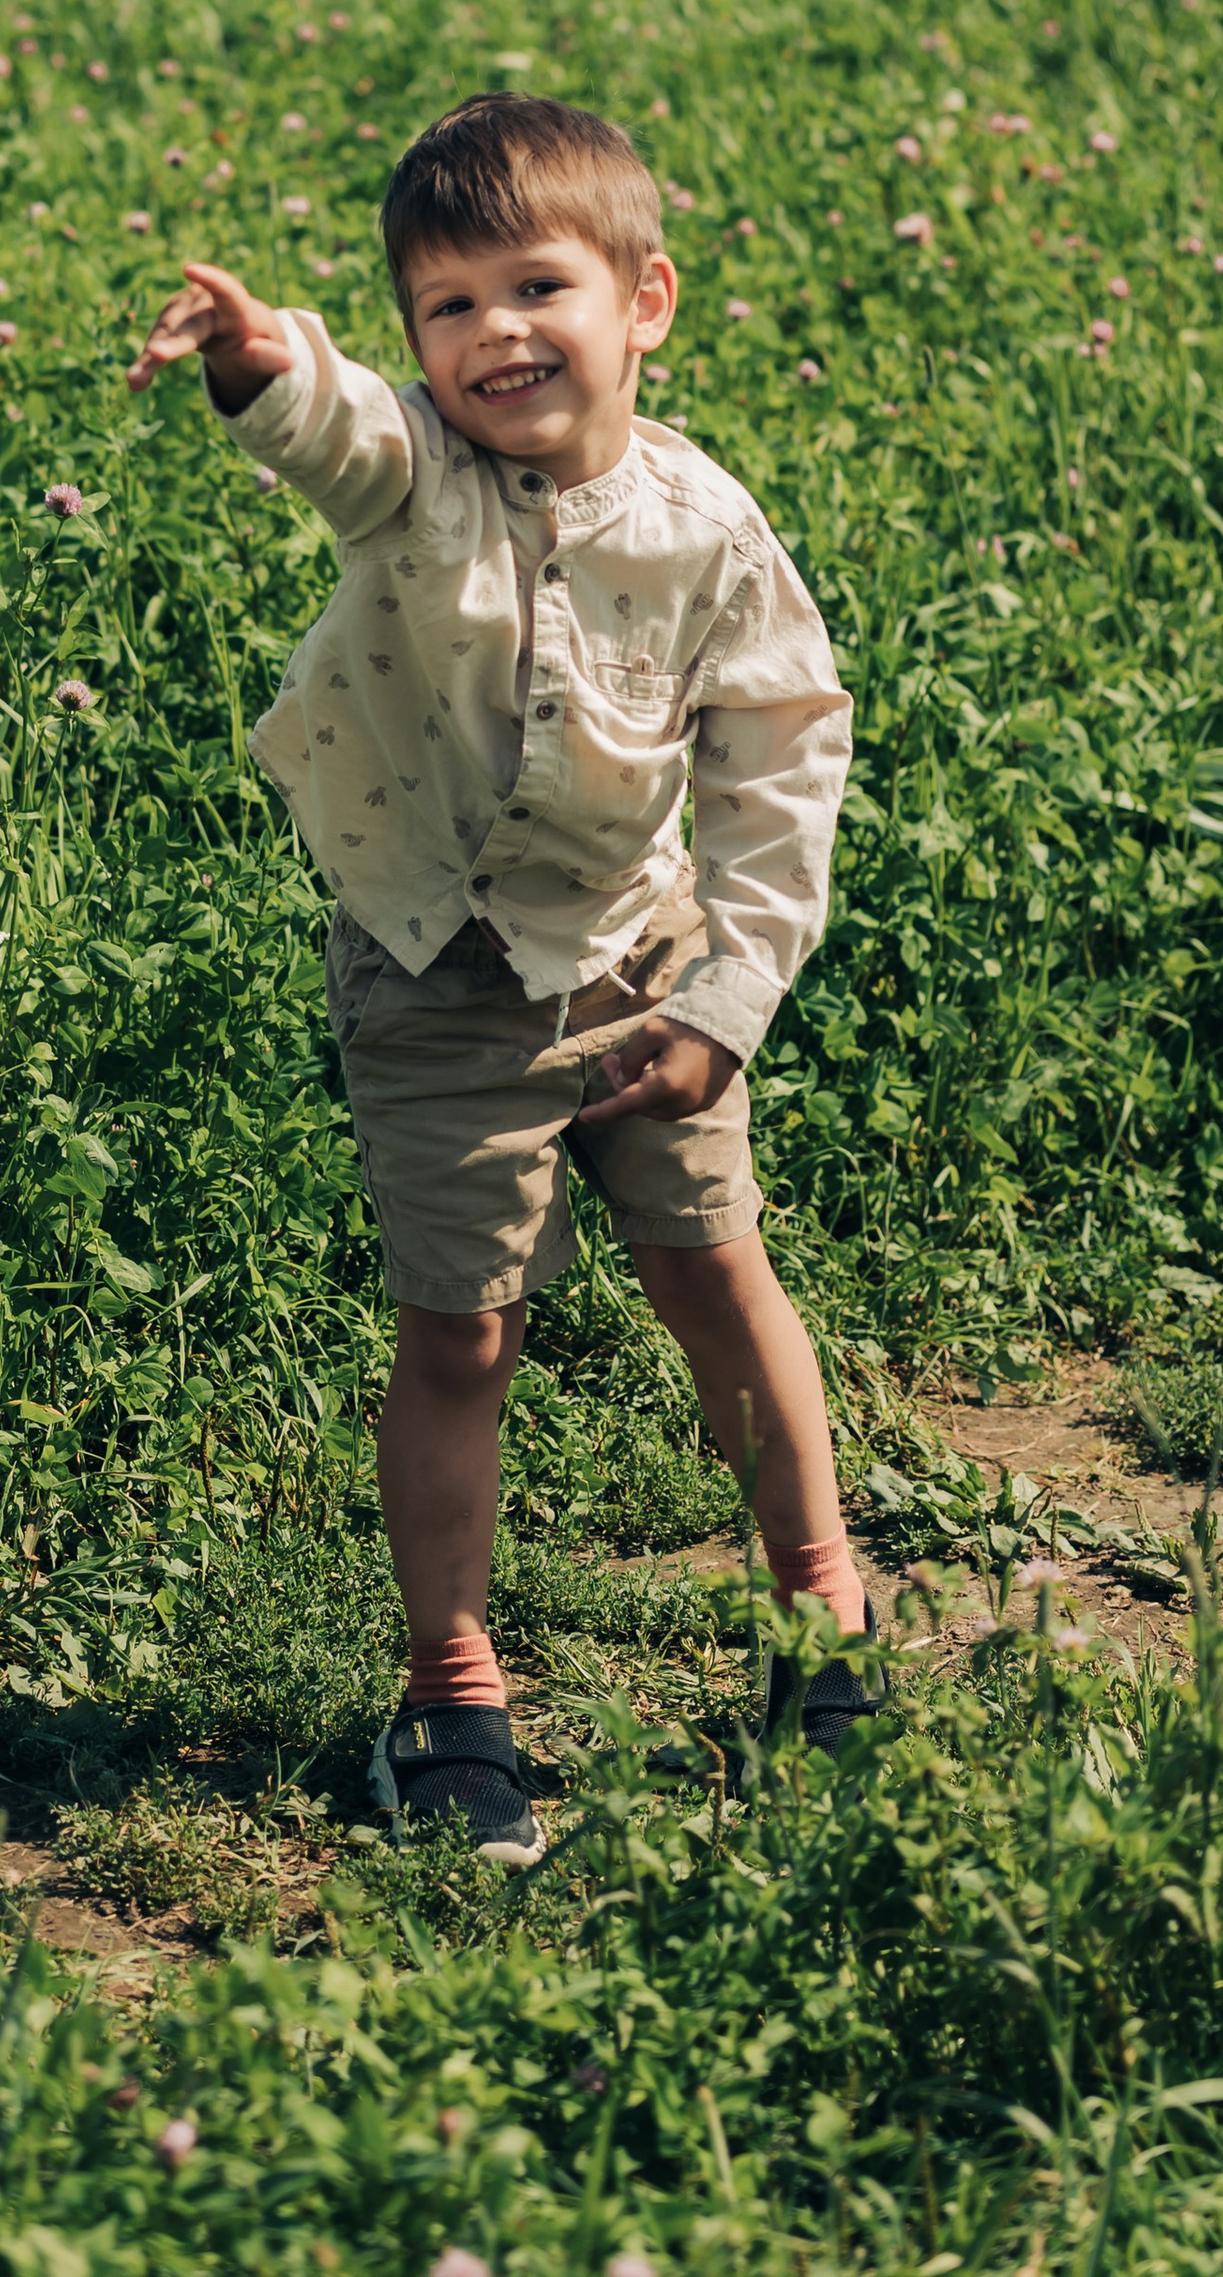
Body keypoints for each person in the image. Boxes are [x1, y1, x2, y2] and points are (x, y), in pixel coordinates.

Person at [127, 93, 873, 1867]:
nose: (494, 333)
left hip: (644, 963)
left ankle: (823, 1619)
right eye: (447, 306)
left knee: (717, 1273)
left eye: (537, 285)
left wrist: (721, 1012)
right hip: (435, 977)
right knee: (461, 1327)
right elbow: (334, 431)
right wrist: (258, 359)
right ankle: (453, 1686)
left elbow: (782, 763)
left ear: (647, 300)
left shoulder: (707, 528)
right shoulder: (414, 476)